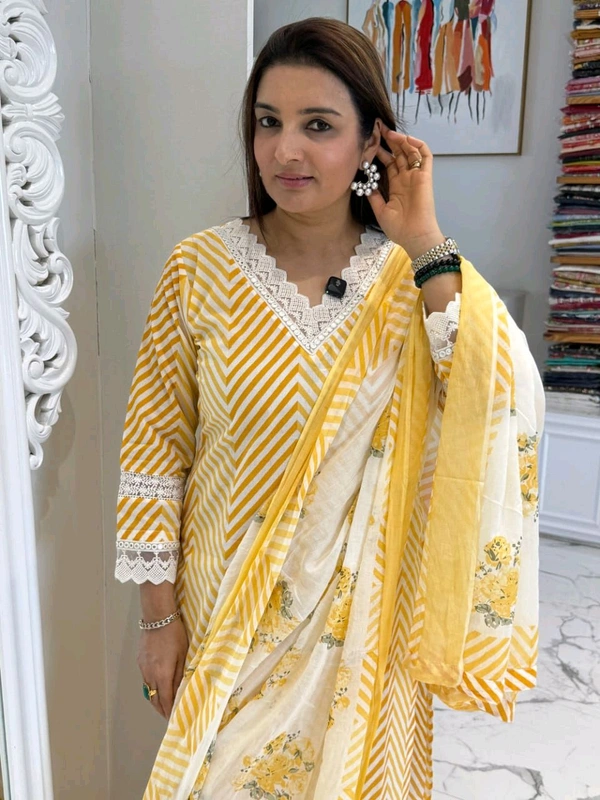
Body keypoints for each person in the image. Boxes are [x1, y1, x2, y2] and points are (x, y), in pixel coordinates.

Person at [115, 16, 544, 800]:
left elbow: (496, 397)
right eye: (268, 123)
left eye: (318, 125)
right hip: (224, 618)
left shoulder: (413, 280)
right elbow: (153, 454)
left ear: (372, 140)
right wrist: (156, 620)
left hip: (364, 638)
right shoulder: (197, 269)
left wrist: (424, 237)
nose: (286, 151)